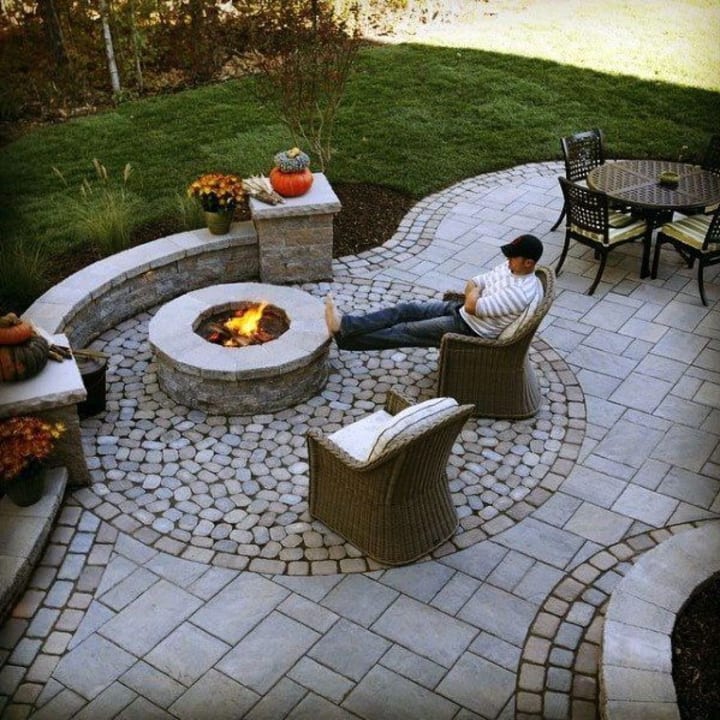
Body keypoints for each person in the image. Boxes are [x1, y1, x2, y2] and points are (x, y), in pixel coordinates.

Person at [325, 234, 544, 350]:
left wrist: (475, 294)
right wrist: (476, 293)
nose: (507, 259)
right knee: (406, 309)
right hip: (459, 310)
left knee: (404, 331)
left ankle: (345, 339)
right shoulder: (509, 268)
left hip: (469, 329)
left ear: (528, 263)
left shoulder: (519, 293)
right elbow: (473, 283)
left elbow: (472, 305)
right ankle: (345, 325)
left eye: (513, 257)